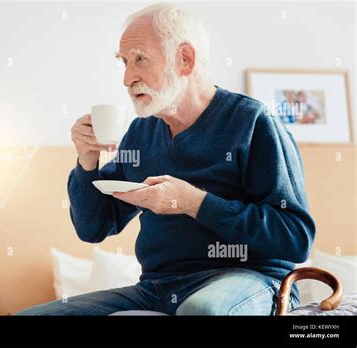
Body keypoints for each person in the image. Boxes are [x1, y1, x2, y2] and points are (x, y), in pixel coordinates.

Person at [17, 3, 315, 316]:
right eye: (123, 62)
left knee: (202, 310)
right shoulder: (141, 132)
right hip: (157, 286)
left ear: (185, 59)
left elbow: (294, 239)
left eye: (140, 59)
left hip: (251, 279)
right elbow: (95, 228)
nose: (127, 78)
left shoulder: (253, 121)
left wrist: (193, 203)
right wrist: (87, 163)